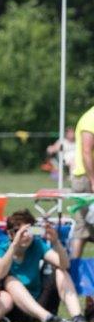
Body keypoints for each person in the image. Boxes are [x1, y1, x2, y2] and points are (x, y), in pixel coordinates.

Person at [0, 209, 86, 322]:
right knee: (10, 280)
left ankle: (77, 317)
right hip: (15, 308)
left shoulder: (37, 244)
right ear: (10, 234)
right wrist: (14, 245)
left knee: (61, 271)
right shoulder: (1, 249)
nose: (26, 235)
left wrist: (56, 242)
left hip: (40, 302)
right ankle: (47, 318)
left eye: (29, 230)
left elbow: (65, 265)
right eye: (20, 232)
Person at [70, 106, 94, 259]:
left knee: (83, 227)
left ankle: (73, 271)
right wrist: (93, 179)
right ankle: (74, 270)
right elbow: (86, 151)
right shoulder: (91, 119)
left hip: (86, 178)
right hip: (85, 178)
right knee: (82, 228)